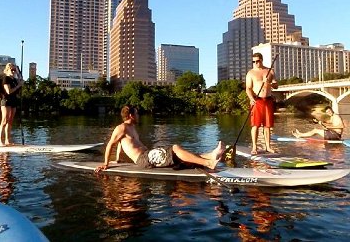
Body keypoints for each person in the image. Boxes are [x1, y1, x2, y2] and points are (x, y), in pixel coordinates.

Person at [95, 105, 224, 173]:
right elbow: (111, 144)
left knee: (180, 155)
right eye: (137, 113)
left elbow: (120, 144)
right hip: (144, 159)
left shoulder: (131, 128)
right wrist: (106, 163)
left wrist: (118, 159)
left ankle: (210, 156)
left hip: (148, 155)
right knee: (175, 148)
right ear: (130, 115)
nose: (138, 115)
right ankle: (208, 163)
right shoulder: (121, 128)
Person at [245, 53, 278, 154]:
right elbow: (248, 88)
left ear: (261, 60)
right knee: (255, 125)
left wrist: (269, 82)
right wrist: (251, 98)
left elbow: (276, 86)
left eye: (257, 61)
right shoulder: (251, 73)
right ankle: (254, 147)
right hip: (257, 100)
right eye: (253, 61)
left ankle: (268, 146)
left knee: (267, 126)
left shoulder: (269, 71)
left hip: (268, 100)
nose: (255, 63)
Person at [0, 63, 24, 146]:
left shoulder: (14, 80)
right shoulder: (6, 79)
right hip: (6, 101)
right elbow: (8, 91)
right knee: (4, 121)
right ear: (7, 70)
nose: (13, 71)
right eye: (12, 70)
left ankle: (7, 140)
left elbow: (17, 91)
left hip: (13, 101)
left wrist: (20, 83)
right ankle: (0, 141)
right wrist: (18, 85)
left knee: (10, 121)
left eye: (14, 70)